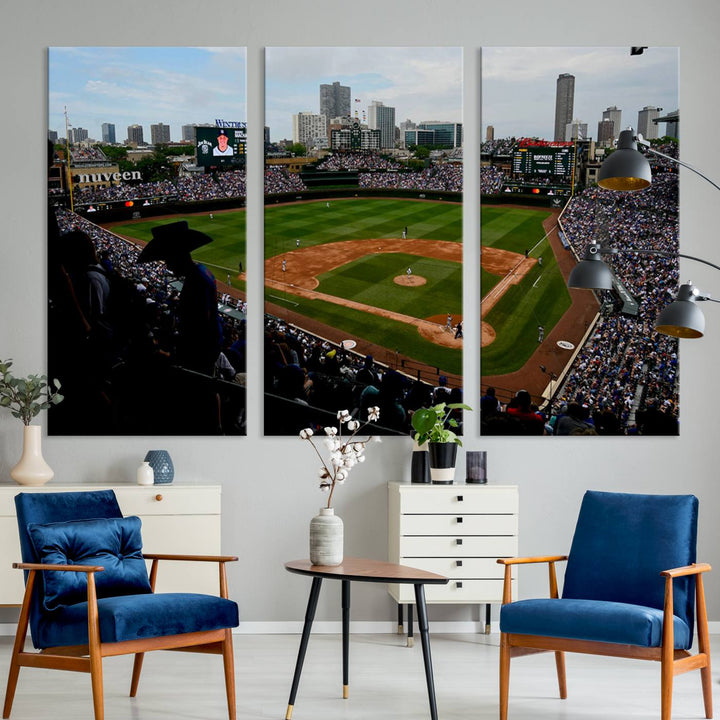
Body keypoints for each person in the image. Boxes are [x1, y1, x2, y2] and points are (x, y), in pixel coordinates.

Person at [137, 220, 221, 376]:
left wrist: (173, 354)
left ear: (178, 256)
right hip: (206, 349)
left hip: (199, 354)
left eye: (168, 259)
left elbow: (199, 325)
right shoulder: (200, 272)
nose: (168, 266)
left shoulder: (196, 279)